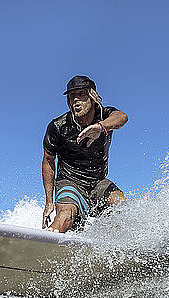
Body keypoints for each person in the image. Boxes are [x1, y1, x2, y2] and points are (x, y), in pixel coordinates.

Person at [42, 75, 129, 233]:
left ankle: (118, 249)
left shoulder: (104, 116)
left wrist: (100, 127)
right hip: (69, 182)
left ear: (93, 96)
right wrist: (49, 202)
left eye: (81, 94)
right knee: (65, 215)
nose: (76, 99)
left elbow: (122, 117)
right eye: (72, 96)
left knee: (123, 208)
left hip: (98, 182)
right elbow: (48, 161)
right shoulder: (58, 126)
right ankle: (44, 246)